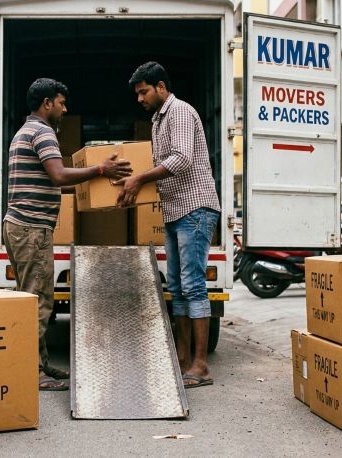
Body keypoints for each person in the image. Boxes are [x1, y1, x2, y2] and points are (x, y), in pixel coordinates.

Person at [4, 78, 132, 391]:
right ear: (46, 103)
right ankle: (33, 373)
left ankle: (40, 363)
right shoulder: (42, 131)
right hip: (31, 228)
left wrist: (94, 187)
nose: (65, 108)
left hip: (22, 226)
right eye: (61, 102)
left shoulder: (26, 131)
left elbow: (56, 182)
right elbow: (59, 174)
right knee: (38, 301)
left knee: (32, 298)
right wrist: (100, 171)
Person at [117, 62, 221, 389]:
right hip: (176, 211)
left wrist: (140, 179)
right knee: (175, 286)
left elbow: (181, 159)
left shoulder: (178, 112)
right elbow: (161, 165)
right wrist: (131, 185)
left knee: (192, 285)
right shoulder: (158, 120)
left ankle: (201, 365)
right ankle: (182, 359)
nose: (140, 98)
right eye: (137, 93)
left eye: (144, 91)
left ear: (161, 87)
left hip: (195, 208)